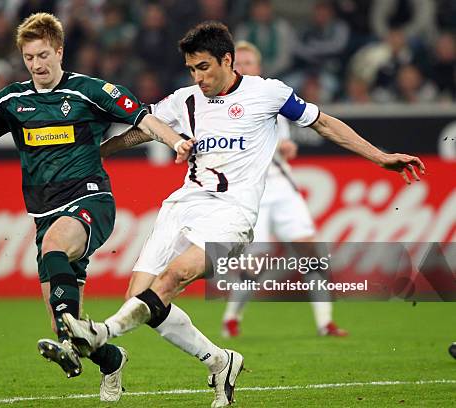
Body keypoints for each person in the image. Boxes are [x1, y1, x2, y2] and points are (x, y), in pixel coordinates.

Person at [61, 21, 425, 408]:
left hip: (232, 215)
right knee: (141, 298)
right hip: (183, 204)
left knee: (174, 278)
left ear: (227, 60)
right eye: (192, 69)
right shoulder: (184, 100)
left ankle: (101, 332)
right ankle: (220, 361)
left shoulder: (267, 93)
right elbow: (143, 130)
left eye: (204, 67)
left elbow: (324, 124)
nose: (198, 77)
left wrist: (381, 156)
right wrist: (100, 152)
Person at [0, 12, 193, 403]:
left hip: (90, 200)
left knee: (55, 249)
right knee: (68, 322)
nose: (37, 64)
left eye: (44, 55)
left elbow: (145, 119)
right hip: (44, 214)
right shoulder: (11, 101)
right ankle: (110, 359)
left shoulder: (90, 91)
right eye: (29, 57)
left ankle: (68, 341)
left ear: (59, 51)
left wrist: (175, 143)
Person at [221, 41, 348, 338]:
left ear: (259, 67)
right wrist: (280, 145)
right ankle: (231, 318)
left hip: (282, 187)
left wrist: (286, 145)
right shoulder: (225, 106)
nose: (243, 68)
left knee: (311, 252)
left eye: (249, 62)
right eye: (239, 63)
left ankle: (325, 322)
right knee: (256, 260)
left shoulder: (272, 96)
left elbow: (290, 132)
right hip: (254, 191)